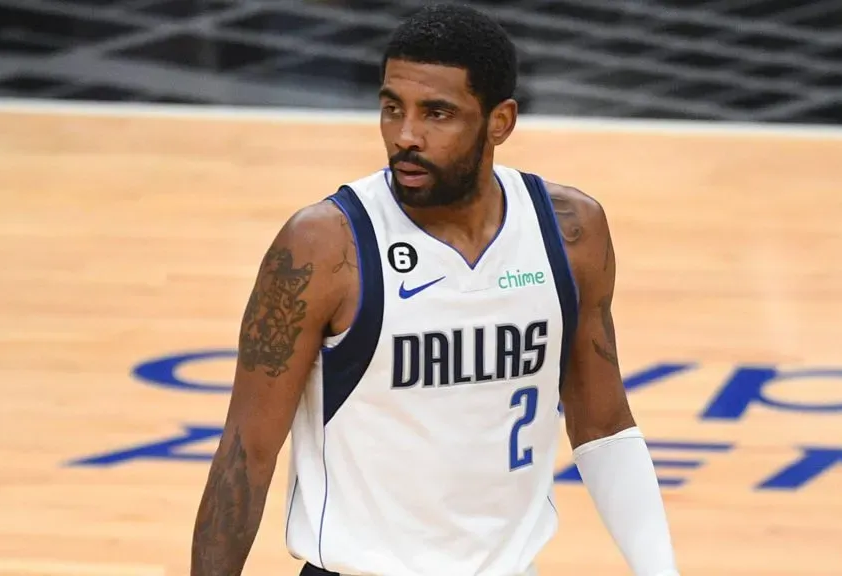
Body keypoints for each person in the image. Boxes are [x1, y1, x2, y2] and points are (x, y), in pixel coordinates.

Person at [189, 4, 679, 576]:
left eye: (437, 113)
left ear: (500, 122)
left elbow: (603, 426)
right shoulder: (324, 246)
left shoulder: (570, 232)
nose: (406, 136)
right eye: (392, 108)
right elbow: (245, 453)